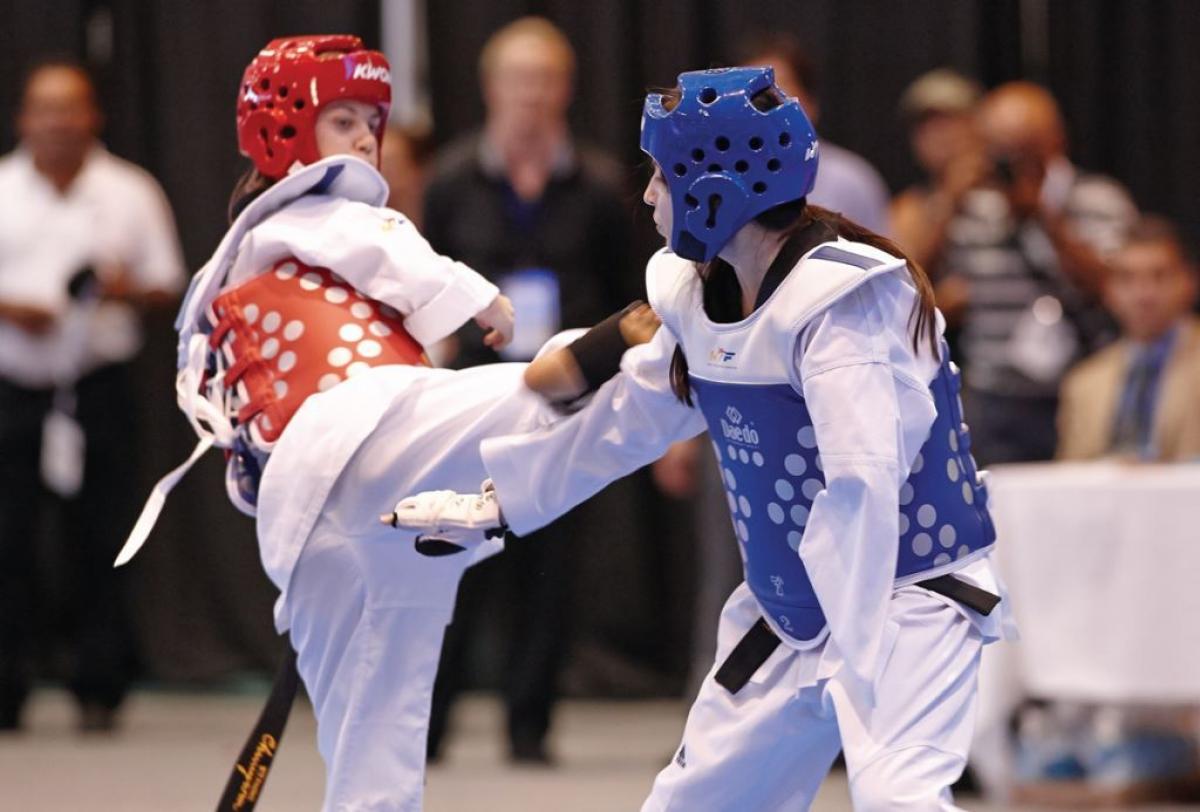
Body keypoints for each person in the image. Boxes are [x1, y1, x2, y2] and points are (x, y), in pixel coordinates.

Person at [392, 66, 1016, 810]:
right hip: (797, 605)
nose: (650, 196)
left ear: (719, 189)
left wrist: (854, 655)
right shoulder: (697, 293)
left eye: (661, 176)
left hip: (910, 595)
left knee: (897, 799)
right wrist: (499, 504)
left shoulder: (847, 303)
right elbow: (626, 420)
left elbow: (864, 479)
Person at [118, 36, 657, 811]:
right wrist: (481, 298)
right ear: (289, 131)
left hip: (317, 522)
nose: (365, 139)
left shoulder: (238, 256)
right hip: (354, 427)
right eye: (343, 120)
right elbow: (386, 247)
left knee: (374, 735)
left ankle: (615, 388)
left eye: (371, 120)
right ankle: (624, 374)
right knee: (522, 420)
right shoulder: (320, 210)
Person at [421, 16, 638, 764]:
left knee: (550, 570)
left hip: (564, 405)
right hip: (470, 403)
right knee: (449, 560)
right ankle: (429, 726)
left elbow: (629, 299)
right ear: (491, 88)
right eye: (519, 80)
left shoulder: (604, 187)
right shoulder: (450, 181)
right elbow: (423, 287)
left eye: (546, 80)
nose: (532, 96)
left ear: (567, 89)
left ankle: (528, 725)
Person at [0, 58, 186, 732]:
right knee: (9, 542)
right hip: (15, 388)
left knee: (104, 539)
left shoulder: (129, 191)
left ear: (92, 116)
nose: (57, 121)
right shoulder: (3, 189)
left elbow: (169, 284)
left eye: (70, 108)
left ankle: (99, 684)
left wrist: (117, 290)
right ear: (24, 117)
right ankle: (8, 687)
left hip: (99, 386)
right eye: (44, 108)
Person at [939, 81, 1137, 465]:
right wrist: (947, 199)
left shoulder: (1099, 199)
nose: (1010, 162)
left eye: (1023, 148)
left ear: (1056, 141)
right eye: (999, 148)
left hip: (1083, 390)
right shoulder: (972, 207)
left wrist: (1044, 220)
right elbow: (913, 279)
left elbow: (1112, 288)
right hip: (993, 398)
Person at [1058, 215, 1200, 461]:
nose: (1144, 294)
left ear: (1189, 281)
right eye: (1127, 279)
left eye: (1160, 276)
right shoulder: (1083, 384)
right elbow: (1068, 481)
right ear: (1109, 290)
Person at [889, 68, 986, 273]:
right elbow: (903, 277)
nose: (937, 137)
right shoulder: (911, 208)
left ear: (977, 125)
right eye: (925, 127)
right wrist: (948, 200)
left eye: (947, 124)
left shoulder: (1016, 190)